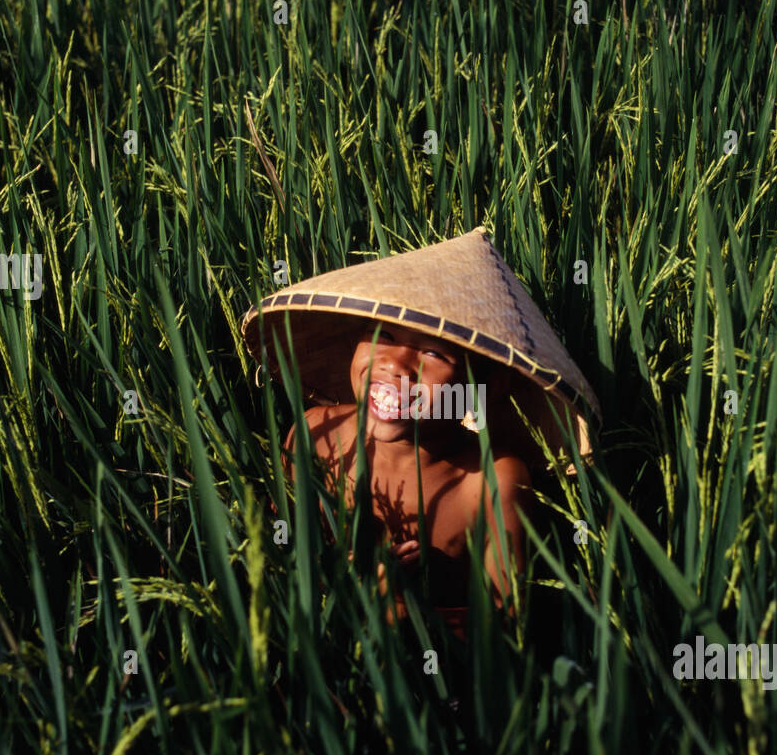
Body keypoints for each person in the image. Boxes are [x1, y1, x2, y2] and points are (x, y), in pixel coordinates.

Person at [241, 227, 601, 636]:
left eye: (433, 353)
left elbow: (505, 624)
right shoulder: (316, 432)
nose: (396, 364)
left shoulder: (490, 481)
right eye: (384, 335)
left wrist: (399, 611)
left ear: (485, 386)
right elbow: (275, 551)